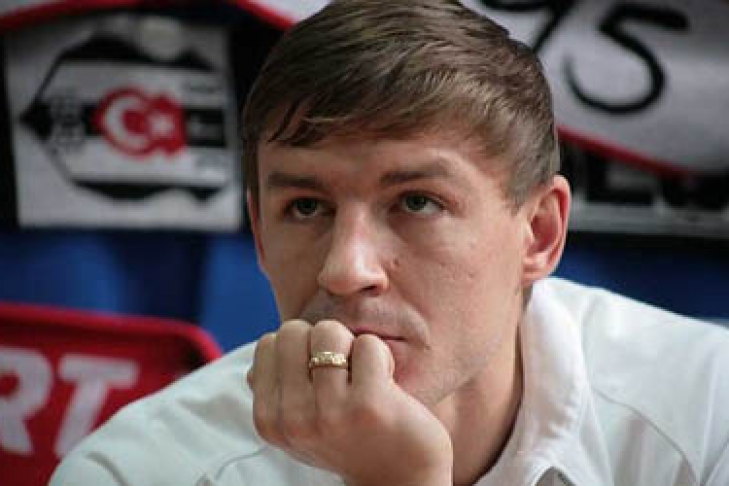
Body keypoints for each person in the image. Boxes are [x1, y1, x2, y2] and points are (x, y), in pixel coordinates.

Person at [51, 1, 729, 485]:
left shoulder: (707, 412)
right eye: (306, 207)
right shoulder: (139, 472)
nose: (346, 269)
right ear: (259, 234)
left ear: (538, 234)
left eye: (416, 202)